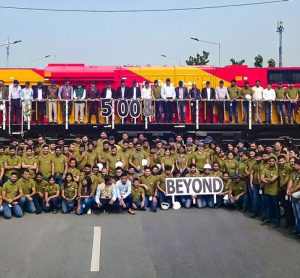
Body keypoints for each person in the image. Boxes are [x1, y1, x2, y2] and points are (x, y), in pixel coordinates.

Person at [260, 156, 280, 228]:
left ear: (275, 162)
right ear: (268, 161)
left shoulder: (277, 169)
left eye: (273, 161)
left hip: (274, 192)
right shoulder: (265, 168)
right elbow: (261, 179)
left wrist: (265, 179)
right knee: (268, 206)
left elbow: (272, 180)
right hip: (266, 190)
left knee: (275, 207)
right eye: (270, 161)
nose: (271, 162)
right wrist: (267, 180)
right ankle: (268, 219)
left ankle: (277, 221)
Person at [287, 158, 300, 235]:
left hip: (298, 196)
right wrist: (288, 190)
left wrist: (291, 191)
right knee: (296, 214)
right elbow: (290, 181)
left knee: (299, 214)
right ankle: (297, 228)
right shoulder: (293, 173)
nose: (293, 166)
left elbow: (299, 185)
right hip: (293, 196)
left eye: (295, 165)